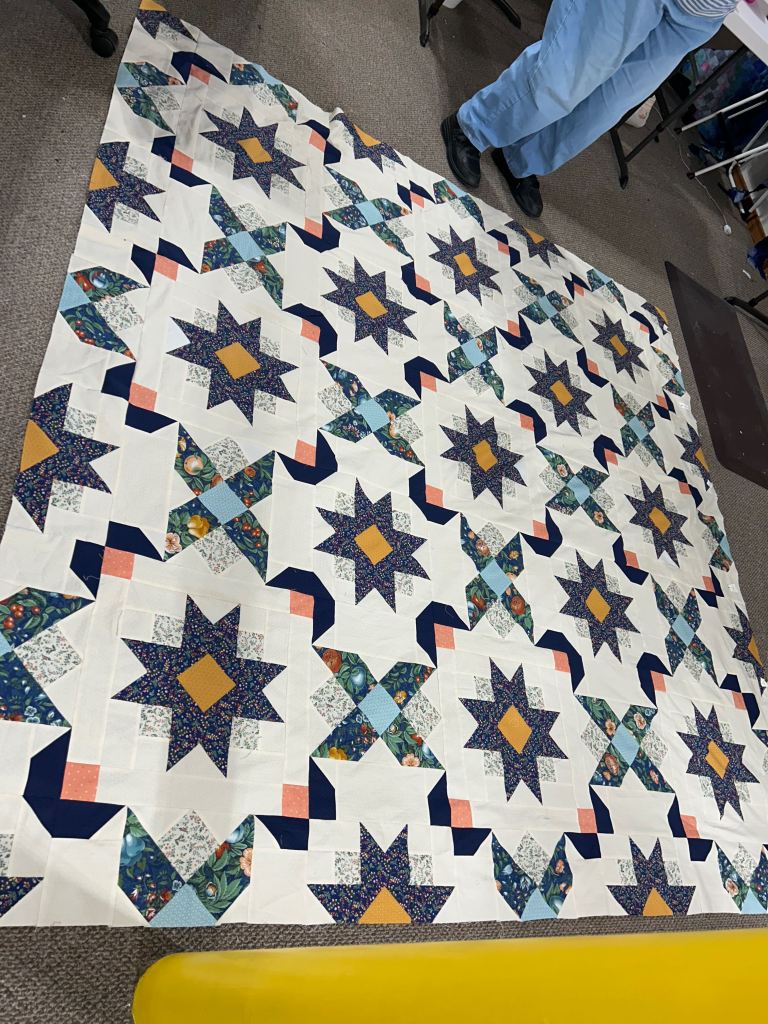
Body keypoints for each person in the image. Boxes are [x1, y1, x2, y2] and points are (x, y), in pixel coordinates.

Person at [441, 0, 739, 217]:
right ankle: (474, 127)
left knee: (607, 105)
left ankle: (520, 157)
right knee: (566, 70)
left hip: (701, 14)